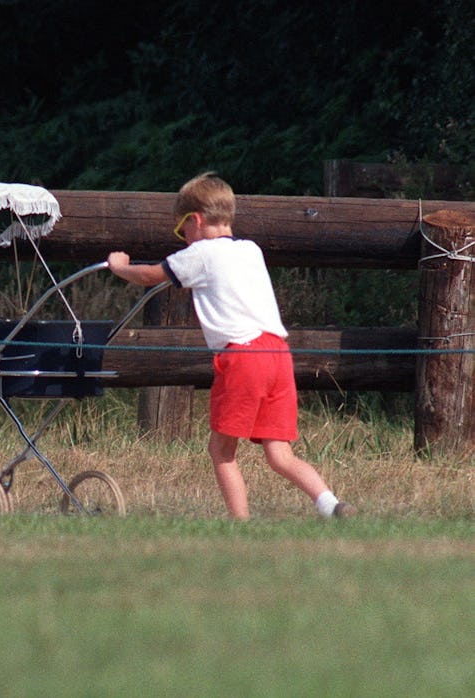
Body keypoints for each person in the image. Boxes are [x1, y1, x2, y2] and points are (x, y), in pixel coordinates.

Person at [107, 172, 354, 520]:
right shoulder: (250, 250)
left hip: (243, 356)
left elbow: (150, 276)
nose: (184, 239)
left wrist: (121, 267)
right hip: (278, 354)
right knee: (279, 454)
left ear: (194, 220)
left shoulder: (201, 254)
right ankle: (330, 504)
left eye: (182, 231)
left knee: (221, 450)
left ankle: (240, 523)